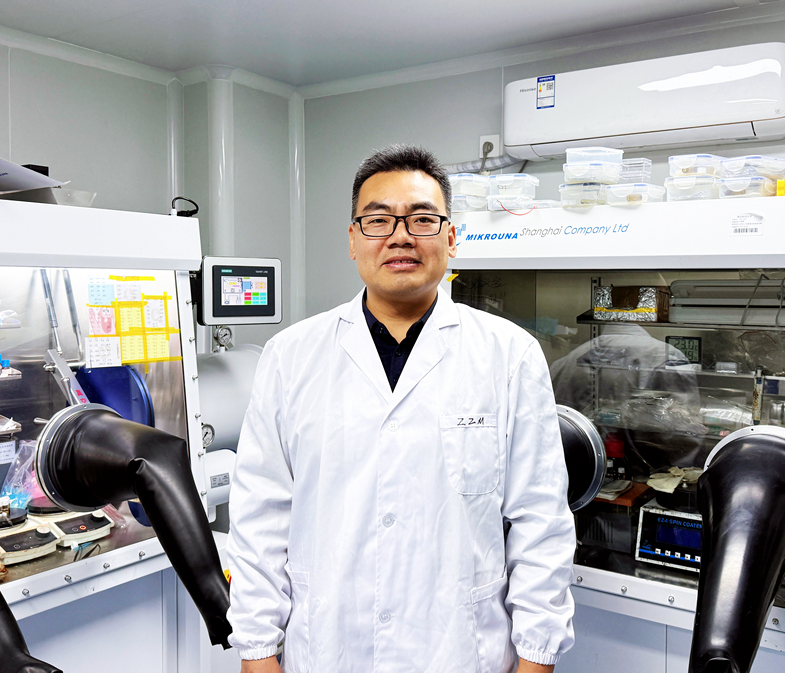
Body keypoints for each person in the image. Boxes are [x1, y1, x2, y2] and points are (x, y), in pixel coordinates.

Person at [225, 144, 576, 673]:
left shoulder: (509, 355)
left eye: (422, 219)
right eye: (378, 220)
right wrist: (256, 651)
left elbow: (540, 521)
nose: (400, 236)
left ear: (451, 238)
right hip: (328, 649)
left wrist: (537, 656)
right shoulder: (290, 356)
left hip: (460, 651)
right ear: (353, 239)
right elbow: (260, 516)